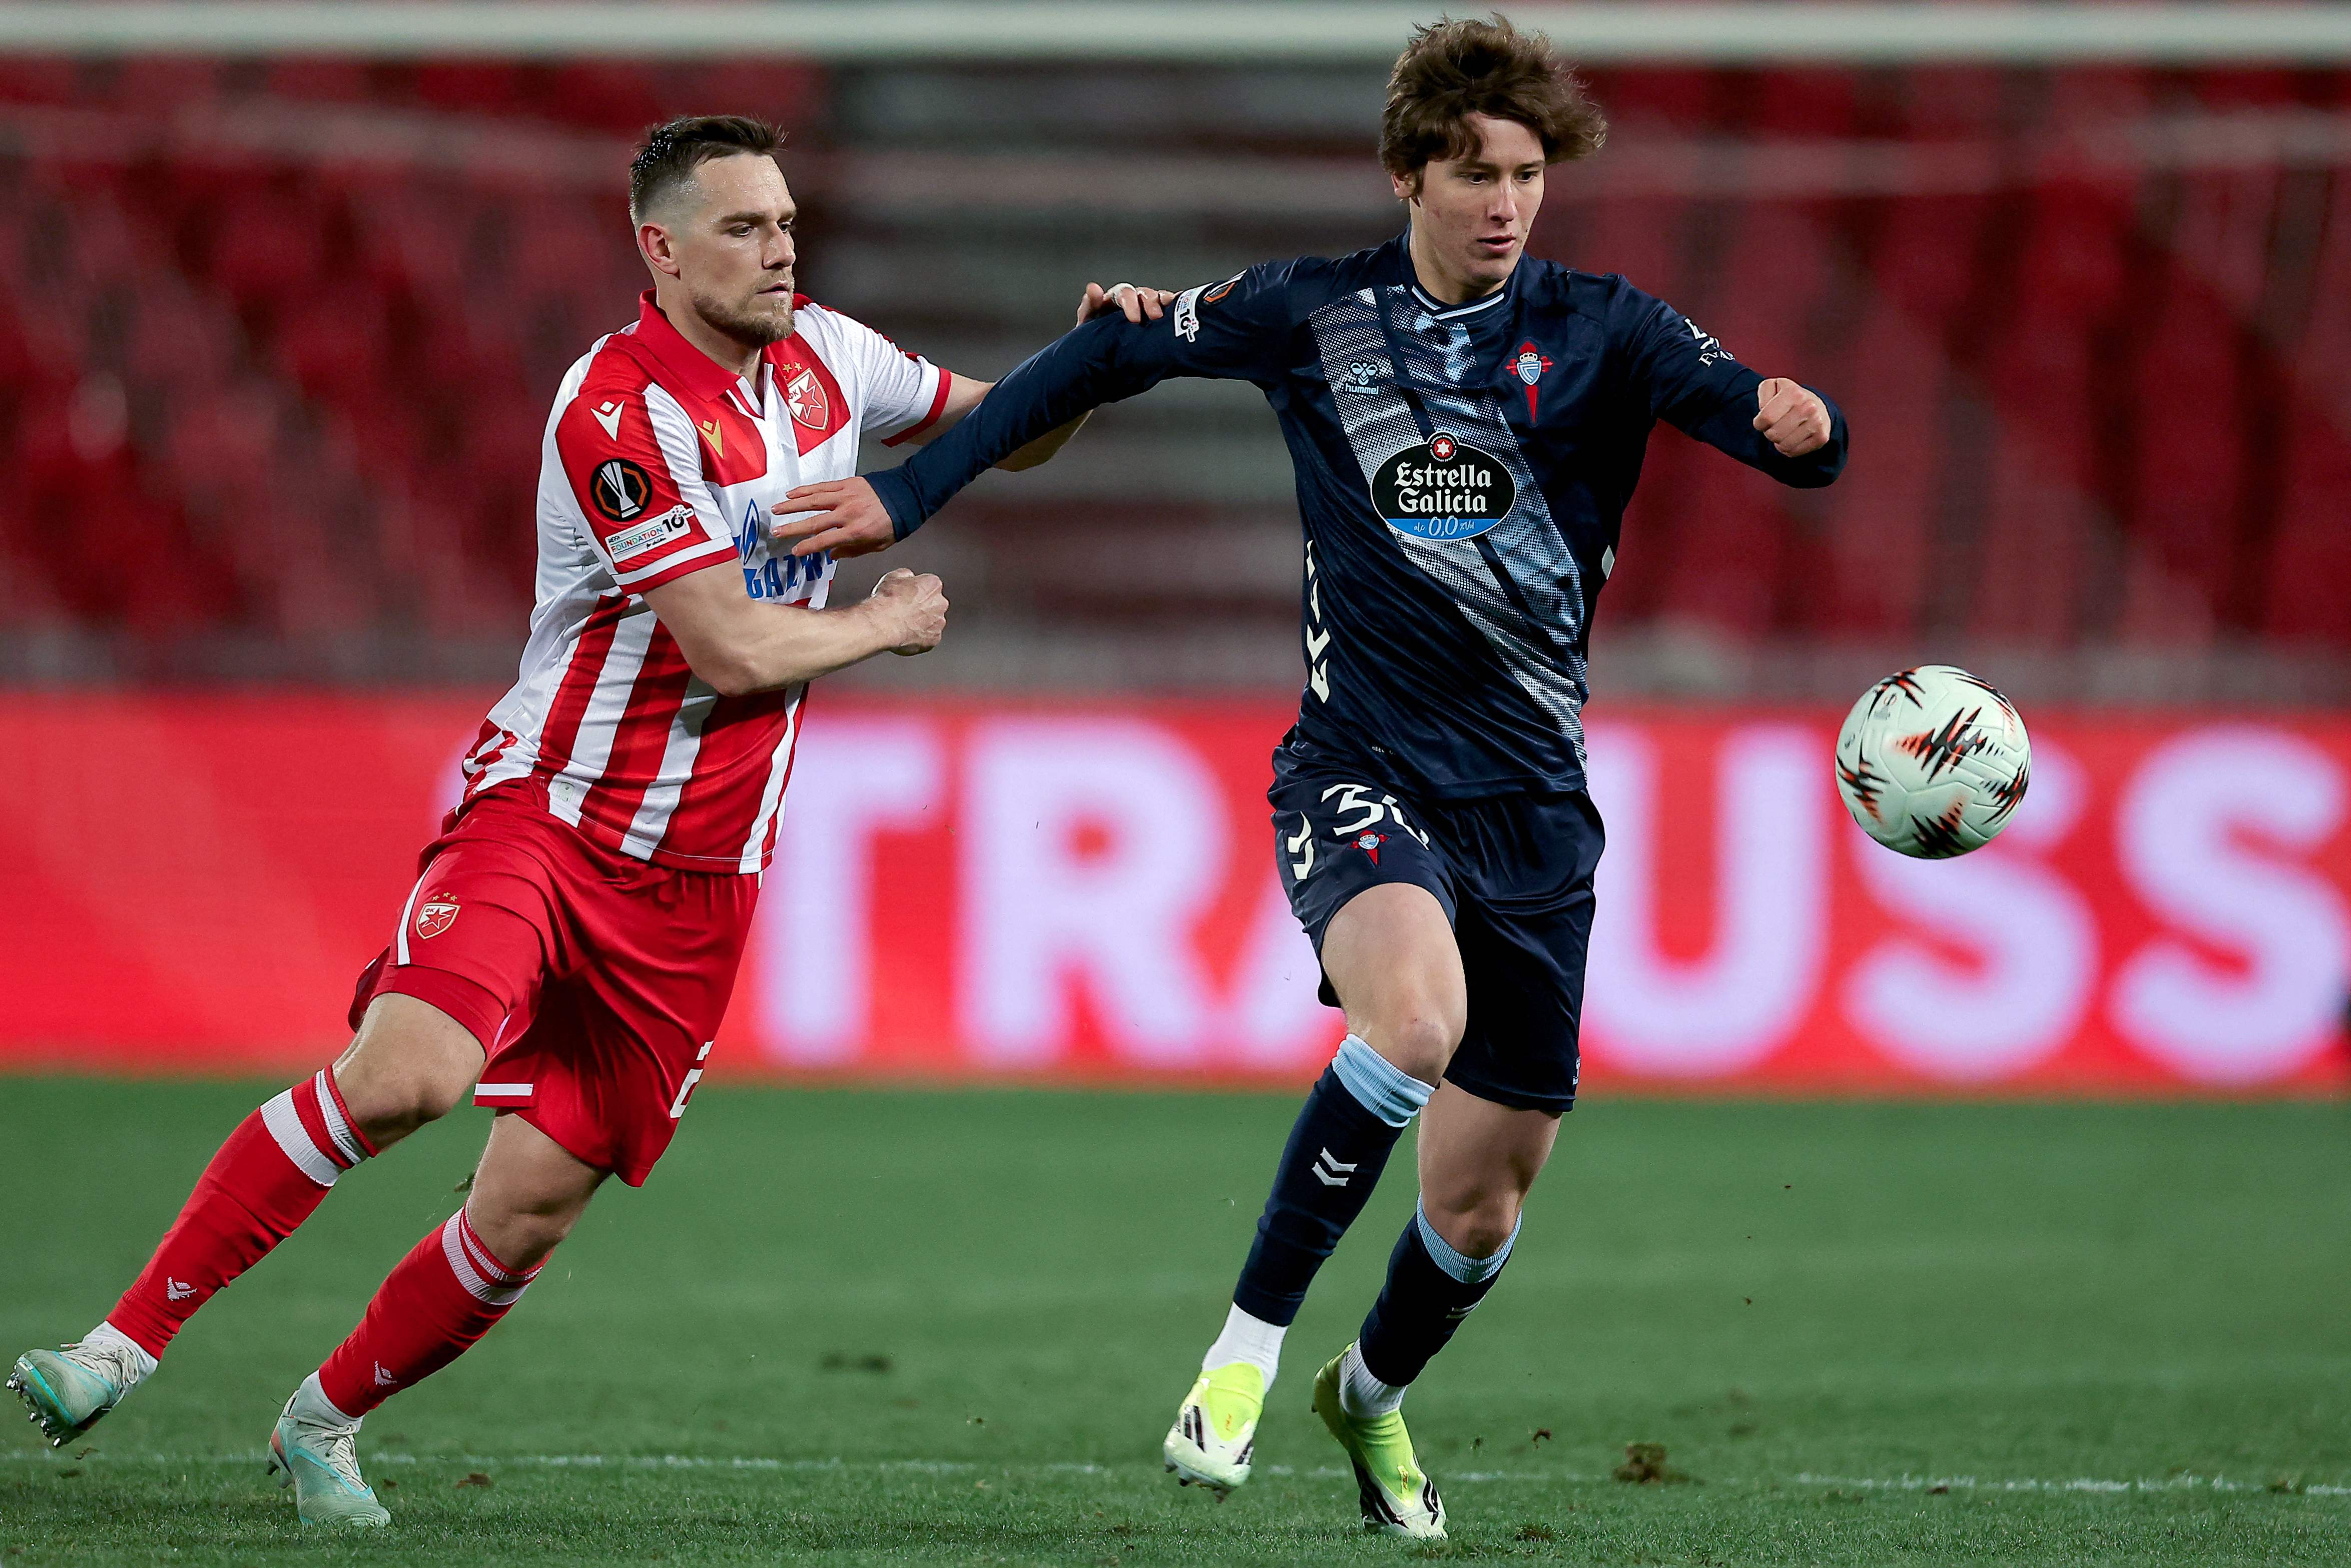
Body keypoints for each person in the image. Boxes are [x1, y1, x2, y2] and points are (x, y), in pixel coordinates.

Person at [768, 19, 1849, 1540]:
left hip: (1535, 809)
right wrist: (900, 495)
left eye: (1527, 175)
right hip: (1359, 765)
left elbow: (1783, 436)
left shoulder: (1607, 328)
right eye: (1473, 172)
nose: (1504, 203)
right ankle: (1241, 1358)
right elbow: (1107, 350)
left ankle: (1371, 1394)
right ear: (1406, 171)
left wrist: (1807, 425)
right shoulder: (1311, 310)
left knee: (1480, 1207)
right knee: (1412, 1023)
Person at [7, 113, 1137, 1528]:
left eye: (784, 221)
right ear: (659, 251)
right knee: (411, 1073)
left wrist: (1084, 369)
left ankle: (321, 1422)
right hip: (550, 814)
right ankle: (117, 1348)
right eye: (742, 227)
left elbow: (998, 435)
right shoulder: (619, 409)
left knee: (531, 1207)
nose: (778, 246)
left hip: (702, 879)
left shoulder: (833, 357)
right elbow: (726, 648)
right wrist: (881, 628)